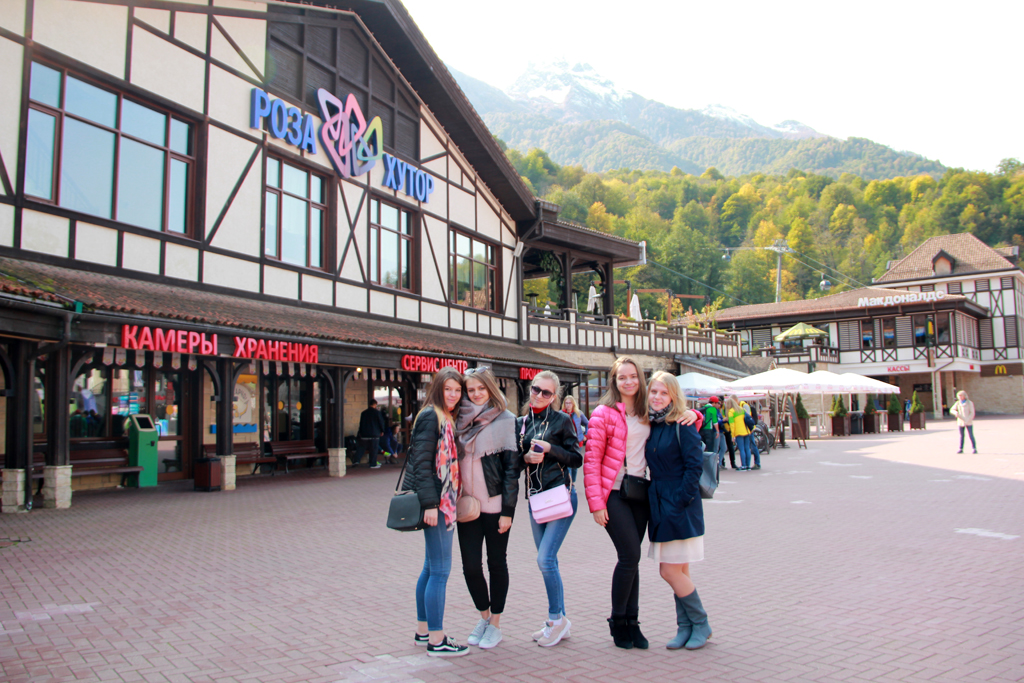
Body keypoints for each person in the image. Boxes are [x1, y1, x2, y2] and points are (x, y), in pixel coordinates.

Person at [584, 356, 702, 649]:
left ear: (641, 379)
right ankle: (618, 622)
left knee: (632, 559)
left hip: (640, 493)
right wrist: (596, 504)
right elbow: (591, 461)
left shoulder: (646, 411)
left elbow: (675, 416)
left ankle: (633, 623)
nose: (628, 381)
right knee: (629, 556)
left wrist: (695, 415)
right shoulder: (603, 413)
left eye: (633, 376)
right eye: (622, 377)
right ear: (614, 381)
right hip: (613, 493)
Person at [645, 372, 712, 650]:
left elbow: (694, 466)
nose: (658, 397)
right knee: (680, 570)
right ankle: (685, 627)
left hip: (678, 503)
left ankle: (701, 623)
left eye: (664, 393)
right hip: (659, 502)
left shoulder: (682, 424)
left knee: (669, 571)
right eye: (654, 392)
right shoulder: (653, 424)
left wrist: (681, 499)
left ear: (673, 396)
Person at [455, 368, 519, 650]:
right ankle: (484, 617)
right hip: (467, 506)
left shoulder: (506, 420)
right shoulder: (459, 420)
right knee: (470, 567)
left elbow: (511, 471)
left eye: (481, 388)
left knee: (496, 564)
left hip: (495, 506)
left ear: (490, 388)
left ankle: (495, 624)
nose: (476, 394)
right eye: (471, 390)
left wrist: (508, 511)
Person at [518, 370, 582, 648]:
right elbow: (513, 462)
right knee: (549, 562)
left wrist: (550, 449)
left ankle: (556, 619)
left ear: (554, 396)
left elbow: (576, 458)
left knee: (544, 560)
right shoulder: (522, 423)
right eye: (536, 389)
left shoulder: (562, 420)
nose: (539, 395)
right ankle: (560, 621)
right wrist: (525, 458)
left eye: (546, 392)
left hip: (559, 496)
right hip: (536, 499)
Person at [408, 367, 469, 657]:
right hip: (439, 503)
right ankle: (437, 639)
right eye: (448, 389)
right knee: (441, 570)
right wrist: (431, 505)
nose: (453, 395)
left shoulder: (444, 416)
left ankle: (424, 631)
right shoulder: (432, 416)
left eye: (457, 390)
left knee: (431, 568)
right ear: (438, 389)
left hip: (442, 501)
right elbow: (421, 464)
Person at [561, 395, 588, 480]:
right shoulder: (561, 414)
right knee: (568, 463)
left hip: (577, 442)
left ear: (573, 404)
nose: (568, 405)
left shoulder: (578, 413)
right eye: (566, 403)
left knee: (575, 464)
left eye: (570, 403)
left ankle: (573, 481)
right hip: (566, 442)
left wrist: (586, 435)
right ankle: (569, 482)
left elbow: (588, 423)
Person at [356, 399, 387, 469]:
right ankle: (372, 464)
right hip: (374, 434)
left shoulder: (363, 413)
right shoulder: (377, 413)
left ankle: (356, 460)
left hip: (364, 434)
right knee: (374, 449)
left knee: (361, 448)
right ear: (375, 404)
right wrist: (382, 431)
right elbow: (381, 422)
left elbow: (361, 424)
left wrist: (360, 432)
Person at [726, 396, 752, 470]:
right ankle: (748, 465)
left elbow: (732, 425)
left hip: (738, 432)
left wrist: (732, 435)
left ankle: (743, 465)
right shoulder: (742, 409)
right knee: (747, 448)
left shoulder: (731, 412)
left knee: (741, 449)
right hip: (746, 431)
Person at [741, 400, 761, 469]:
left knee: (752, 446)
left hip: (749, 430)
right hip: (749, 429)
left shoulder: (747, 407)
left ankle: (756, 463)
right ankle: (754, 463)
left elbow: (752, 420)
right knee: (751, 446)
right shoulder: (750, 407)